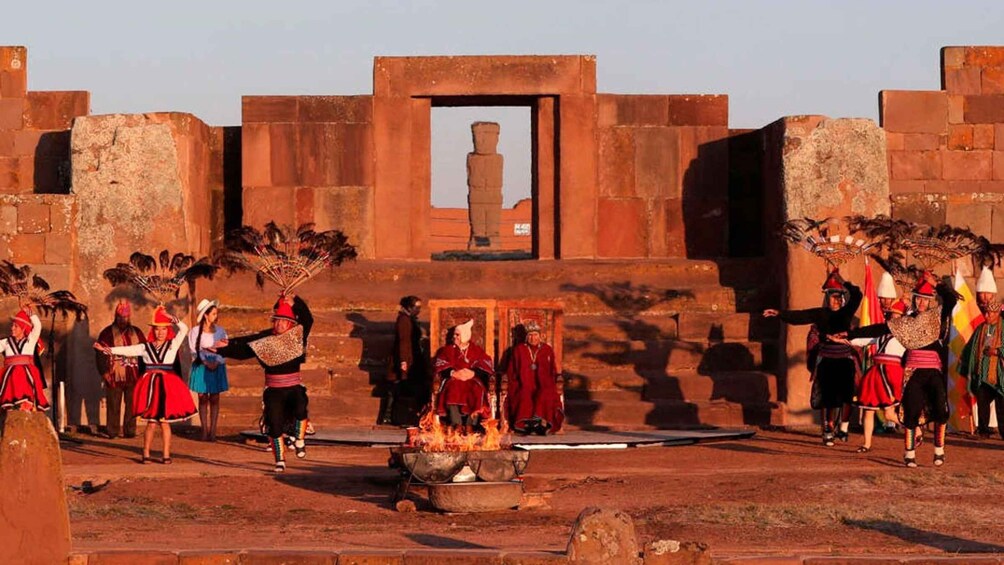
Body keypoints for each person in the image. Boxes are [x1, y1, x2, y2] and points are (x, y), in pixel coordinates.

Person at [842, 272, 957, 467]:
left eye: (925, 299)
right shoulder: (905, 322)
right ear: (914, 299)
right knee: (910, 409)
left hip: (933, 371)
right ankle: (909, 453)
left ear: (931, 301)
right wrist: (851, 334)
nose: (921, 303)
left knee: (940, 409)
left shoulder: (938, 316)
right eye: (918, 298)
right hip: (913, 371)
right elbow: (880, 329)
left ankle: (939, 450)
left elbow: (951, 299)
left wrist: (936, 283)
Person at [764, 269, 862, 446]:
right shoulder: (820, 314)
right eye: (833, 296)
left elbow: (857, 295)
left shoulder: (847, 312)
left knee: (848, 395)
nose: (837, 300)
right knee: (828, 397)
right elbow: (800, 316)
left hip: (845, 359)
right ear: (827, 297)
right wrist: (779, 313)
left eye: (840, 296)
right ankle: (828, 428)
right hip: (826, 360)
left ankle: (844, 427)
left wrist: (843, 281)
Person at [218, 295, 313, 473]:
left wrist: (295, 301)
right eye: (277, 321)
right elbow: (246, 346)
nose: (279, 325)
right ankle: (280, 459)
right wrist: (223, 347)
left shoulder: (298, 335)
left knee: (301, 408)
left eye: (283, 322)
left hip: (293, 386)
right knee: (274, 424)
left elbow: (308, 319)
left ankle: (299, 440)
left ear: (290, 323)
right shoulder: (266, 338)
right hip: (274, 389)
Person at [94, 305, 195, 464]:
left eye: (163, 329)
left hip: (167, 386)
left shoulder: (172, 344)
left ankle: (166, 454)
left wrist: (169, 317)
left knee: (164, 422)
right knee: (152, 422)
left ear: (167, 330)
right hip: (152, 387)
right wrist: (106, 350)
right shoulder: (145, 347)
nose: (160, 332)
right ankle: (146, 453)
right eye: (157, 329)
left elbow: (184, 329)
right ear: (152, 331)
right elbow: (127, 350)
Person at [843, 299, 907, 453]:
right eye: (891, 315)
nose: (893, 318)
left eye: (897, 316)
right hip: (876, 372)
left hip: (892, 374)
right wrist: (842, 340)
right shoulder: (880, 336)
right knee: (868, 409)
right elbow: (861, 341)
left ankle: (912, 429)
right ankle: (866, 444)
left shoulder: (906, 337)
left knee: (889, 414)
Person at [95, 300, 145, 438]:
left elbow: (144, 352)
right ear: (115, 316)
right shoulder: (106, 333)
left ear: (129, 317)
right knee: (113, 405)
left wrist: (144, 373)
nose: (123, 320)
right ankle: (112, 431)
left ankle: (130, 431)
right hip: (113, 375)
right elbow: (100, 353)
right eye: (120, 317)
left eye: (125, 317)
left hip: (134, 375)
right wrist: (104, 372)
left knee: (132, 405)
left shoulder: (137, 332)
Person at [433, 319, 494, 430]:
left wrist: (473, 372)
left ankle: (471, 424)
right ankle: (457, 423)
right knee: (453, 388)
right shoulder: (447, 350)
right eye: (454, 335)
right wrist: (453, 373)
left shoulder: (476, 350)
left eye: (457, 335)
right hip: (454, 378)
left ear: (465, 336)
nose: (454, 337)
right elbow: (440, 364)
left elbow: (486, 365)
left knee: (477, 390)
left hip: (472, 378)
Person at [506, 320, 564, 435]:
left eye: (535, 335)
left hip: (544, 383)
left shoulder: (547, 349)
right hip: (523, 383)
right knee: (524, 394)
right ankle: (528, 424)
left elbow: (552, 370)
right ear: (527, 337)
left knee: (545, 393)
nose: (533, 338)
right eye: (530, 335)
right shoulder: (519, 349)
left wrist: (551, 381)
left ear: (540, 336)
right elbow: (512, 370)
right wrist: (514, 382)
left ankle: (540, 423)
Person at [959, 300, 1004, 439]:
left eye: (990, 313)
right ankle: (983, 431)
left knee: (1001, 406)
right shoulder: (981, 329)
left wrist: (996, 352)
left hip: (999, 374)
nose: (987, 315)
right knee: (982, 401)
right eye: (986, 312)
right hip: (982, 374)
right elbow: (970, 348)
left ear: (997, 314)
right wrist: (964, 364)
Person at [381, 295, 428, 425]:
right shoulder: (404, 321)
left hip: (411, 357)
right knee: (398, 387)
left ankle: (395, 416)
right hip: (406, 359)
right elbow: (404, 342)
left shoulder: (409, 320)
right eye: (416, 307)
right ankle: (391, 416)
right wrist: (403, 362)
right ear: (409, 307)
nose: (419, 310)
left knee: (402, 387)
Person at [188, 299, 229, 442]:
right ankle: (204, 429)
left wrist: (216, 362)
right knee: (203, 397)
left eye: (216, 313)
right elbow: (193, 350)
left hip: (216, 365)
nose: (215, 316)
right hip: (202, 365)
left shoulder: (221, 331)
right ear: (206, 315)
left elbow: (225, 348)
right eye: (213, 313)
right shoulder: (194, 332)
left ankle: (213, 430)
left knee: (215, 397)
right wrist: (205, 362)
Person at [0, 303, 48, 411]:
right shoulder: (6, 342)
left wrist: (30, 314)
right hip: (10, 378)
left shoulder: (30, 341)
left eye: (15, 326)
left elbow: (38, 326)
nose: (12, 328)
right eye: (12, 325)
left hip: (26, 377)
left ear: (23, 328)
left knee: (26, 403)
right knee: (9, 404)